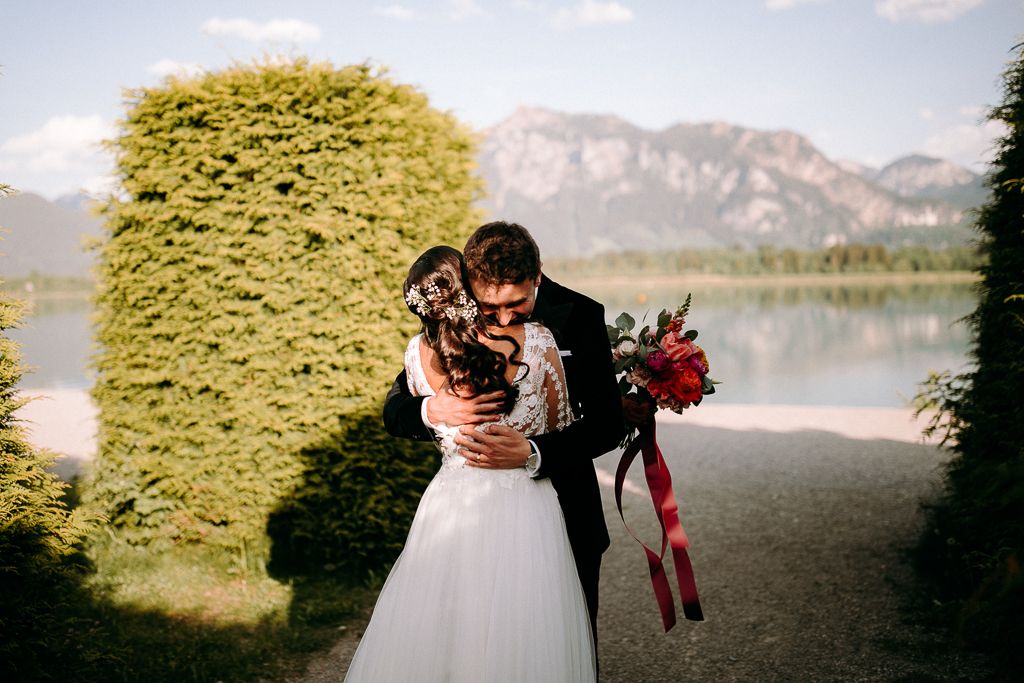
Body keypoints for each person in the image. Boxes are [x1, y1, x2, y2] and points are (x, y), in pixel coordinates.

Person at [344, 246, 594, 683]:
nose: (501, 312)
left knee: (443, 634)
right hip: (524, 505)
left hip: (448, 501)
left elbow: (597, 424)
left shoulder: (417, 350)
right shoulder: (534, 339)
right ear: (473, 287)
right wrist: (430, 410)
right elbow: (562, 422)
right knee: (529, 636)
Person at [383, 222, 623, 650]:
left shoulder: (581, 314)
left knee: (566, 650)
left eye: (518, 303)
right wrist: (430, 409)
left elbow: (608, 423)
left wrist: (533, 452)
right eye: (489, 308)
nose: (506, 318)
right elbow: (394, 409)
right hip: (468, 523)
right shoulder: (453, 322)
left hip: (567, 511)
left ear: (538, 274)